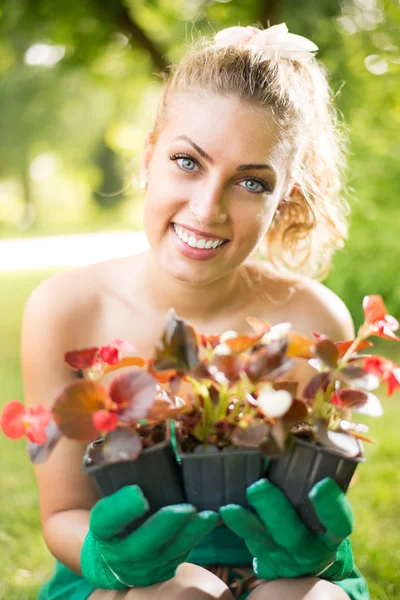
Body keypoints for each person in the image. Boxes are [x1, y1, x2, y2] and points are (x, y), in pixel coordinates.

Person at [21, 23, 370, 600]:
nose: (207, 209)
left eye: (251, 182)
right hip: (128, 581)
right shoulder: (65, 311)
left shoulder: (317, 322)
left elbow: (312, 511)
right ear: (148, 157)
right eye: (188, 162)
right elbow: (62, 513)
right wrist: (109, 557)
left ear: (284, 197)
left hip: (282, 577)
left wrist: (312, 550)